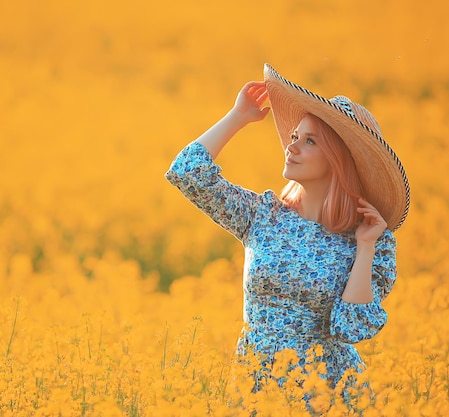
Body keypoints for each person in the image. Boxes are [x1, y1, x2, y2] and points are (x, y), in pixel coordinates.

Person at [165, 64, 410, 398]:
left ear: (339, 160)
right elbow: (187, 173)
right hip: (255, 388)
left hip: (328, 395)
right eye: (294, 136)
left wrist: (365, 246)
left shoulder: (372, 240)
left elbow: (351, 327)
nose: (291, 147)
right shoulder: (263, 216)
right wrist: (238, 116)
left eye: (309, 141)